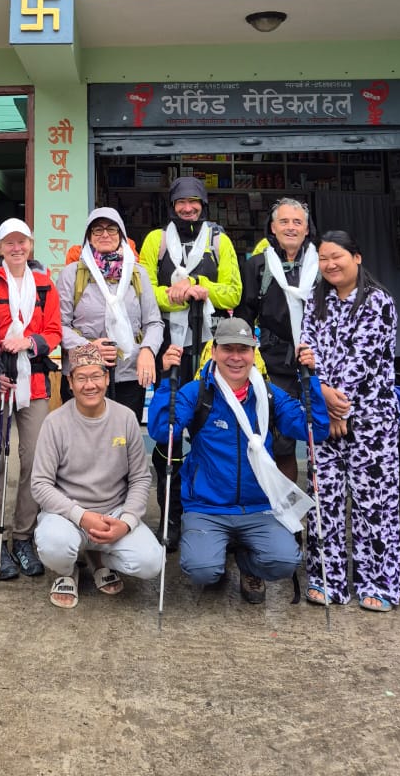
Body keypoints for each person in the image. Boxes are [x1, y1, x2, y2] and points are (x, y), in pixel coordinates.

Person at [148, 317, 328, 603]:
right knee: (202, 570)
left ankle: (247, 563)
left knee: (285, 561)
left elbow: (315, 429)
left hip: (258, 506)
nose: (235, 357)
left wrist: (311, 379)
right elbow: (161, 431)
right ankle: (216, 558)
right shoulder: (198, 392)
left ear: (253, 354)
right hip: (207, 507)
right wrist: (166, 379)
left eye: (243, 349)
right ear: (214, 351)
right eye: (227, 349)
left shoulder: (268, 394)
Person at [298, 230, 400, 612]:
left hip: (372, 420)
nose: (330, 265)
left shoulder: (378, 301)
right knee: (323, 500)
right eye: (323, 259)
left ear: (356, 257)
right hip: (324, 416)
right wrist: (324, 396)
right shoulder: (315, 300)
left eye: (336, 256)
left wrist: (340, 406)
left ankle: (380, 584)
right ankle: (328, 581)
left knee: (374, 504)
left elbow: (364, 359)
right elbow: (306, 351)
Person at [140, 176, 242, 548]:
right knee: (168, 430)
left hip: (207, 348)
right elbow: (143, 290)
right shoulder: (155, 240)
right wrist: (174, 294)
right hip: (168, 348)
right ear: (172, 206)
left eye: (194, 202)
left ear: (203, 205)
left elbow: (233, 291)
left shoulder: (219, 240)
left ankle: (206, 515)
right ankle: (170, 516)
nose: (188, 208)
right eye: (181, 202)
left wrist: (200, 286)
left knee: (207, 429)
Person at [31, 344, 163, 608]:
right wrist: (81, 515)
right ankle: (67, 570)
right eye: (81, 377)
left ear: (107, 378)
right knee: (54, 546)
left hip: (113, 512)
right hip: (68, 516)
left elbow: (140, 478)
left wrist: (126, 522)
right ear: (70, 382)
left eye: (96, 376)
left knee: (151, 562)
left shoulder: (125, 418)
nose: (89, 385)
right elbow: (40, 484)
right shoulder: (55, 423)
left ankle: (97, 558)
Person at [0, 218, 62, 581]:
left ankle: (23, 537)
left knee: (35, 462)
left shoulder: (44, 284)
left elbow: (54, 331)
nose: (16, 248)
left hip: (35, 383)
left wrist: (30, 342)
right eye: (9, 243)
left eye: (22, 242)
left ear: (30, 245)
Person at [237, 198, 319, 483]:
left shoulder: (322, 265)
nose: (290, 227)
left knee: (322, 438)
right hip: (274, 363)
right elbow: (245, 316)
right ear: (272, 227)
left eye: (297, 222)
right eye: (283, 221)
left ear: (307, 229)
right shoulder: (258, 266)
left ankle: (322, 501)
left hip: (319, 362)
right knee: (280, 441)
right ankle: (284, 506)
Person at [56, 207, 162, 420]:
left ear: (121, 234)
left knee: (123, 435)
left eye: (112, 229)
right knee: (81, 435)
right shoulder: (72, 273)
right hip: (84, 374)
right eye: (97, 229)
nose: (105, 234)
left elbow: (154, 322)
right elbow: (59, 324)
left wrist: (148, 350)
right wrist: (89, 348)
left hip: (129, 374)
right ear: (88, 237)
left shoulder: (137, 273)